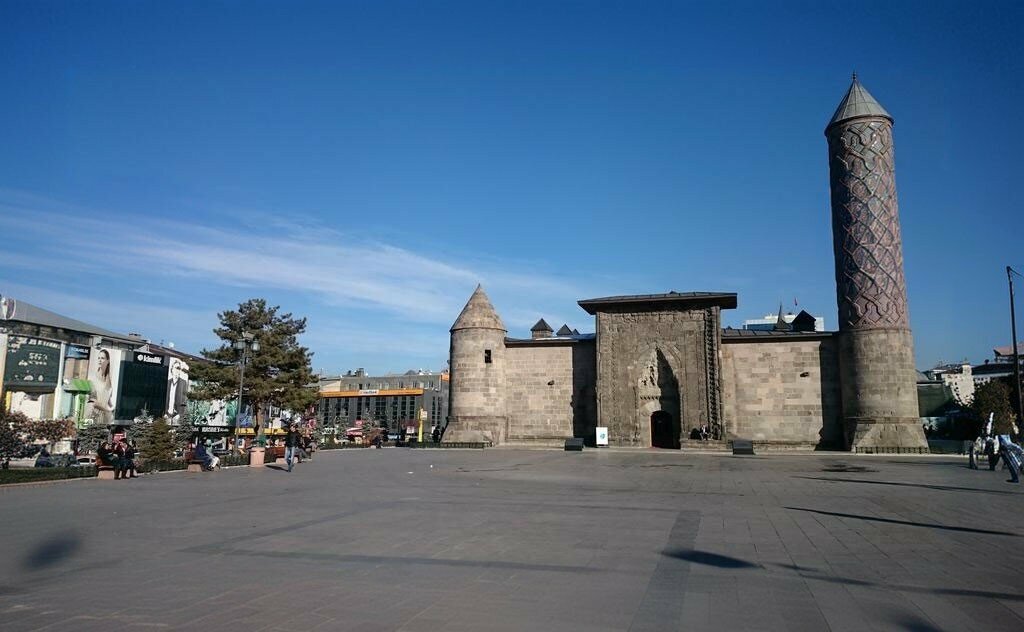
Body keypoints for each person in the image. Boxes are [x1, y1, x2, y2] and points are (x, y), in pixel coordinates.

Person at [88, 349, 115, 425]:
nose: (100, 360)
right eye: (98, 358)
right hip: (94, 415)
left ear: (108, 361)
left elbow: (107, 398)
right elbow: (92, 402)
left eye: (102, 358)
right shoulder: (93, 378)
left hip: (107, 418)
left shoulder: (108, 379)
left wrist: (113, 407)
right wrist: (108, 410)